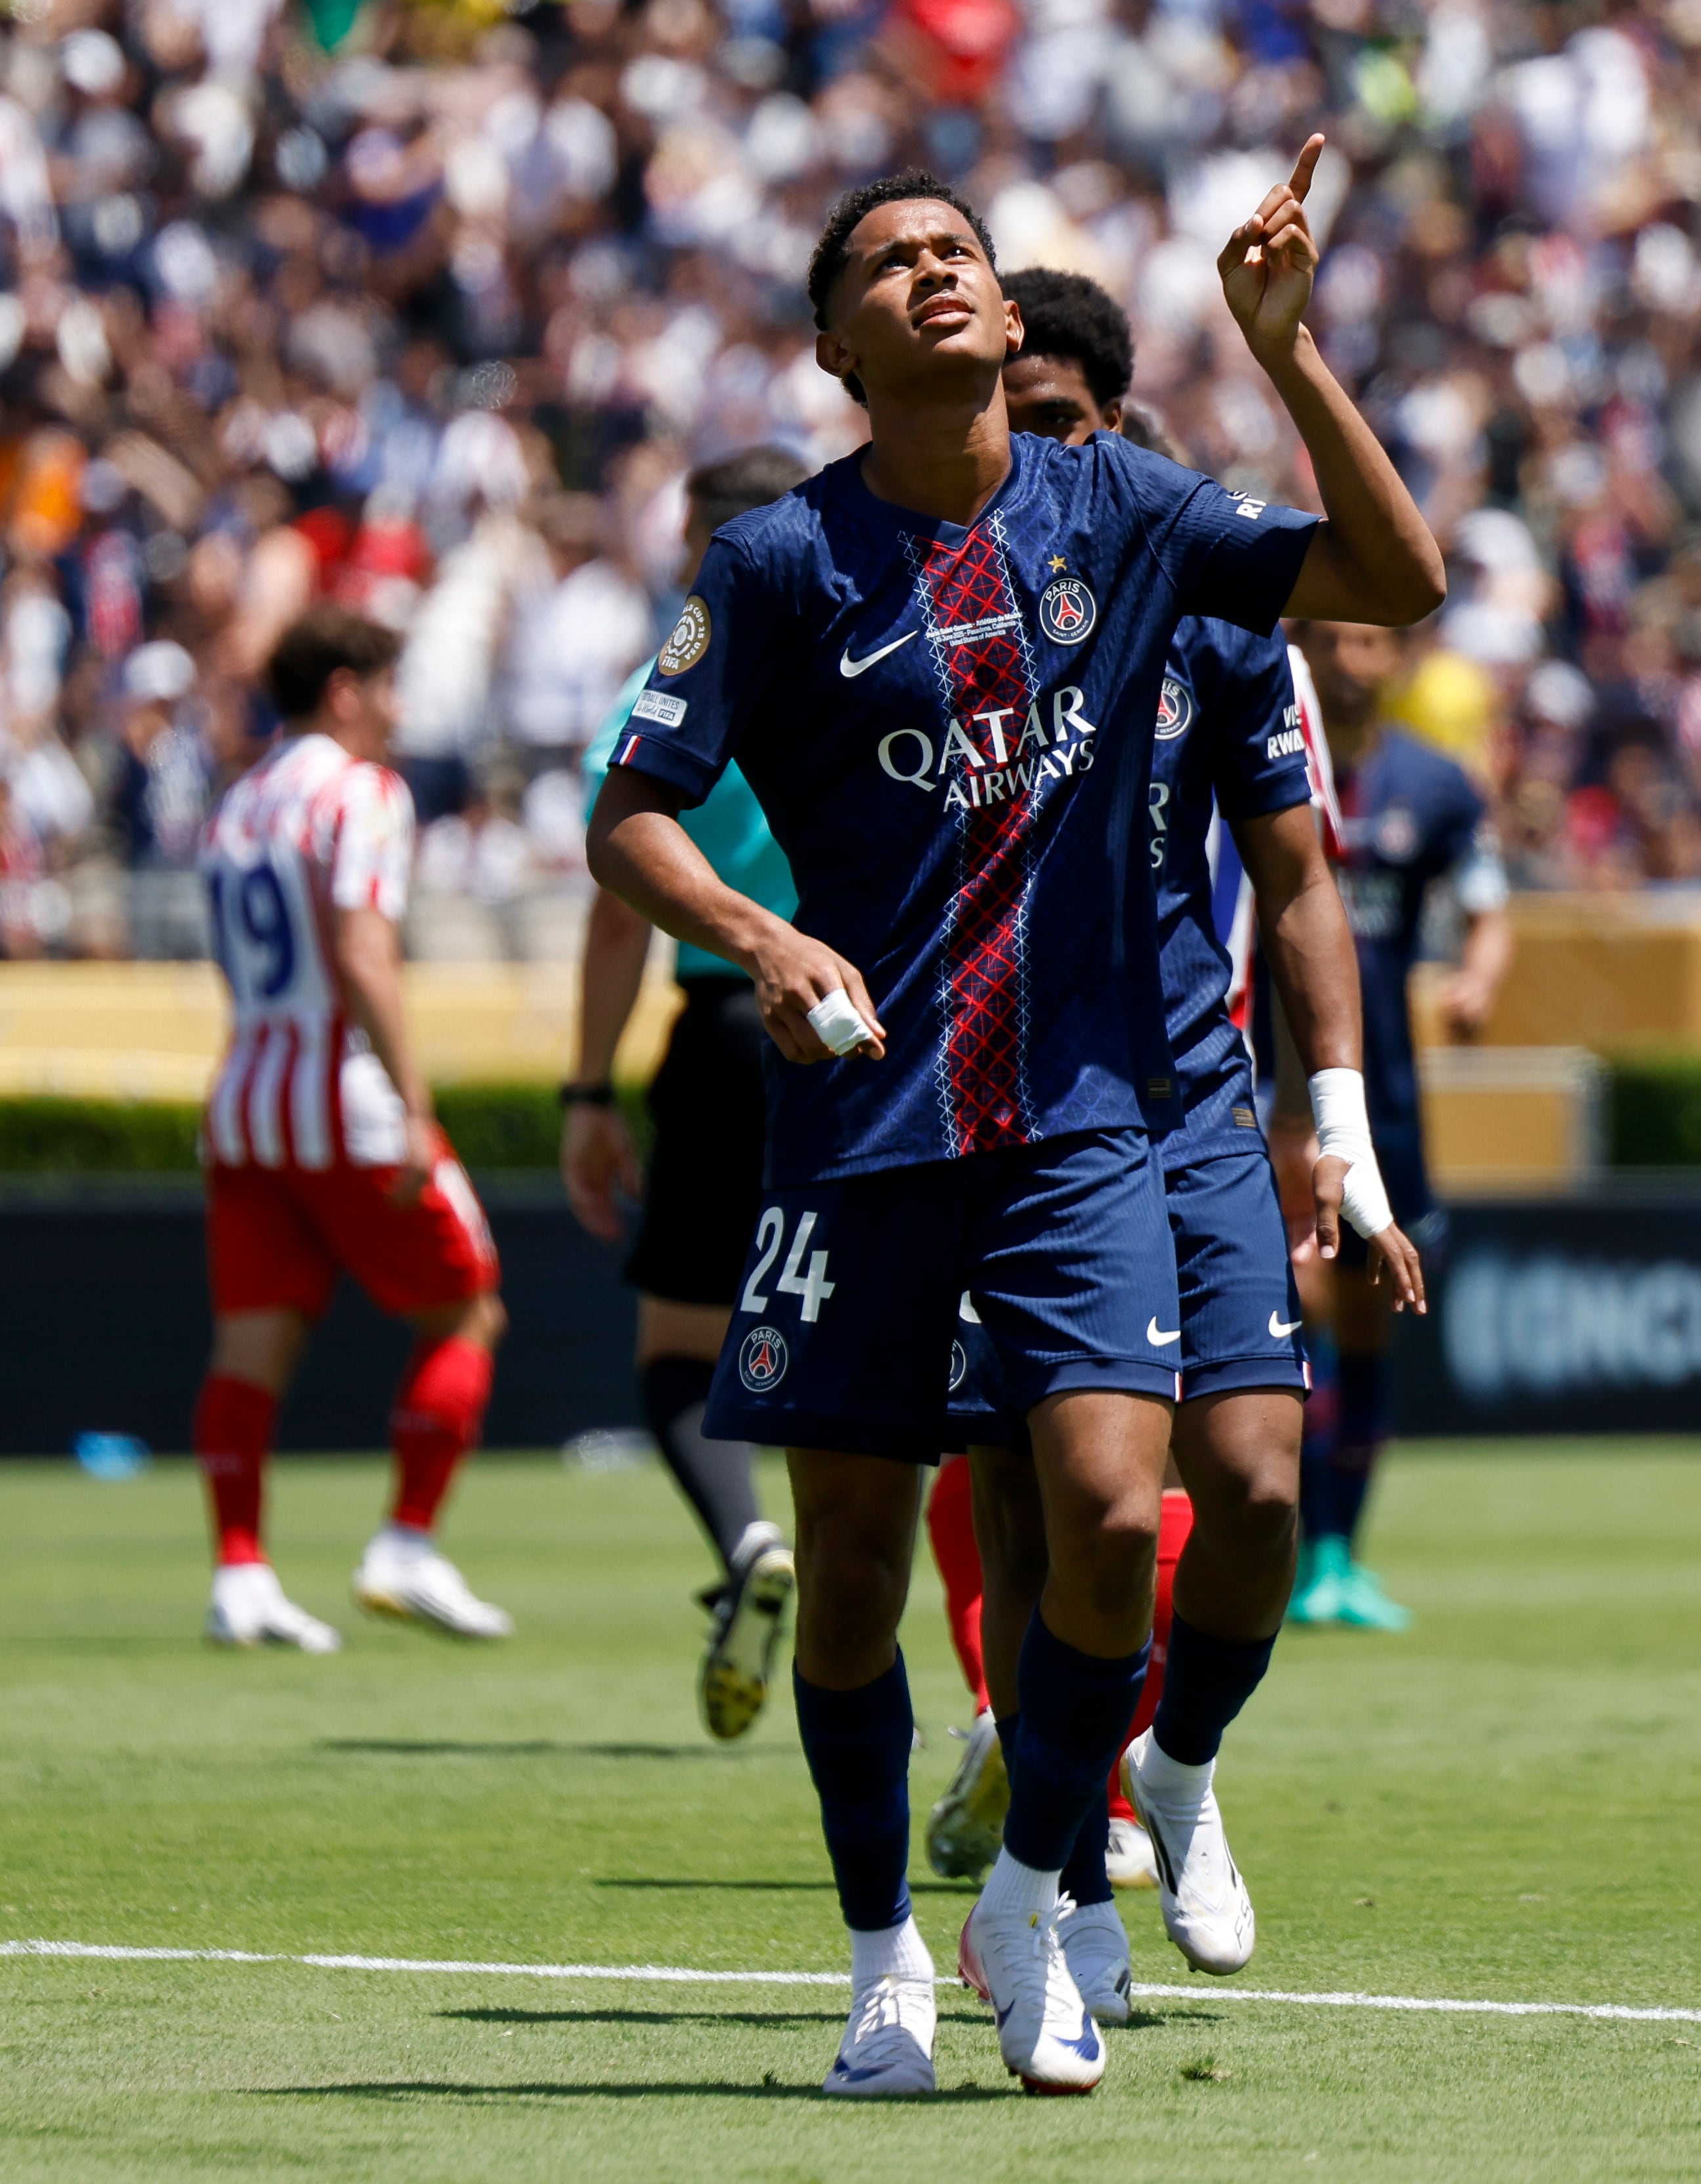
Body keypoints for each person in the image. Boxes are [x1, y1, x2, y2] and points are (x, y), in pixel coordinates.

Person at [585, 143, 1442, 2098]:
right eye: (890, 264)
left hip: (1083, 1125)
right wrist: (760, 936)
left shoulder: (1126, 510)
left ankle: (1048, 1889)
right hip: (865, 1130)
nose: (937, 275)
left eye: (957, 251)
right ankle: (880, 1961)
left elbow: (1396, 583)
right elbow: (628, 808)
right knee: (863, 1572)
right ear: (834, 342)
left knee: (1124, 1518)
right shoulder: (781, 565)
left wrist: (1291, 355)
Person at [916, 266, 1427, 2029]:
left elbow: (1298, 884)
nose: (1026, 447)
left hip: (1196, 1103)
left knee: (1260, 1487)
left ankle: (1181, 1773)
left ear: (1109, 425)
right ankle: (1052, 1887)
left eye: (1054, 419)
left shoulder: (1202, 597)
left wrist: (1335, 1130)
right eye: (1005, 417)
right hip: (997, 1102)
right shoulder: (927, 599)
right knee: (1058, 1511)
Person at [190, 605, 512, 1652]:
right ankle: (405, 1543)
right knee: (467, 1314)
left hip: (245, 1102)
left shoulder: (236, 805)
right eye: (387, 687)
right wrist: (416, 1106)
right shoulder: (362, 793)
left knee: (250, 1348)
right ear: (344, 691)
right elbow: (363, 949)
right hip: (347, 1101)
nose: (398, 710)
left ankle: (240, 1574)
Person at [563, 446, 812, 1743]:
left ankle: (749, 1534)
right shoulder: (874, 649)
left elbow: (619, 910)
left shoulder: (673, 681)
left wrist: (586, 1090)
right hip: (869, 1027)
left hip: (726, 1027)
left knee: (679, 1344)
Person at [1270, 623, 1512, 1631]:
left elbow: (1489, 905)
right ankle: (1281, 1548)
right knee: (1296, 1310)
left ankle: (1337, 1557)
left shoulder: (1439, 785)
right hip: (1273, 1093)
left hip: (1387, 1103)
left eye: (1371, 645)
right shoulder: (1261, 758)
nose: (1352, 663)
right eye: (1333, 643)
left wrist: (1481, 975)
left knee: (1365, 1326)